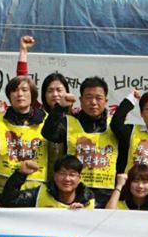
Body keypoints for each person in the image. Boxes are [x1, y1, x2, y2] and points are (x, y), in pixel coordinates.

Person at [41, 76, 118, 204]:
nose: (93, 102)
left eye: (98, 98)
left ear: (106, 100)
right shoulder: (69, 123)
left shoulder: (115, 126)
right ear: (81, 100)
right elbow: (48, 133)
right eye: (88, 97)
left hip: (107, 196)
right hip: (75, 195)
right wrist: (60, 107)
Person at [0, 75, 48, 196]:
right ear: (9, 96)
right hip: (2, 187)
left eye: (24, 90)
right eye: (14, 90)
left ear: (32, 94)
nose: (19, 94)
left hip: (35, 189)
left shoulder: (45, 120)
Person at [0, 156, 95, 209]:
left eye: (72, 175)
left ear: (79, 178)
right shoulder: (39, 194)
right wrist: (20, 174)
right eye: (62, 173)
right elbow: (9, 202)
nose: (67, 178)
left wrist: (81, 214)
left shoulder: (89, 200)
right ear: (55, 176)